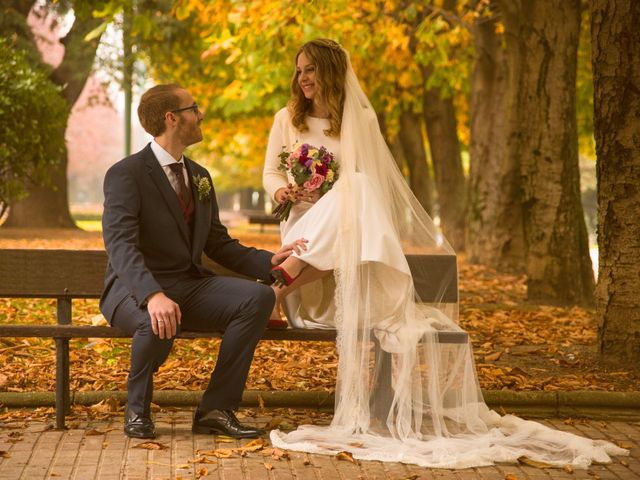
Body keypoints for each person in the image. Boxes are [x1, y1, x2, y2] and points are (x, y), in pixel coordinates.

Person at [262, 39, 627, 468]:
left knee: (358, 188)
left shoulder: (361, 118)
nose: (303, 78)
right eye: (299, 70)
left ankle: (277, 286)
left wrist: (335, 193)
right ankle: (279, 285)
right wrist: (283, 190)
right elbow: (270, 171)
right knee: (353, 193)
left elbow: (376, 182)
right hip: (302, 229)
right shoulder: (287, 119)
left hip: (346, 240)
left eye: (311, 69)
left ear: (331, 72)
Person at [100, 83, 307, 440]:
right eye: (194, 108)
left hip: (188, 285)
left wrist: (268, 260)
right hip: (132, 289)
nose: (201, 114)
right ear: (172, 119)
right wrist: (152, 295)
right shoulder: (126, 174)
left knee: (256, 298)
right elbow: (120, 245)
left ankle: (216, 408)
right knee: (158, 320)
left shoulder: (199, 177)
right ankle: (137, 409)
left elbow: (217, 243)